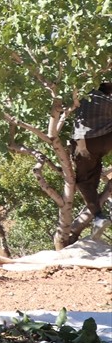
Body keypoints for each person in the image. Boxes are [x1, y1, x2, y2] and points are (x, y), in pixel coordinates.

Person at [73, 82, 112, 235]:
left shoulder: (83, 96)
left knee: (84, 181)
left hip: (86, 144)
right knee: (95, 169)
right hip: (106, 141)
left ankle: (98, 216)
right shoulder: (109, 101)